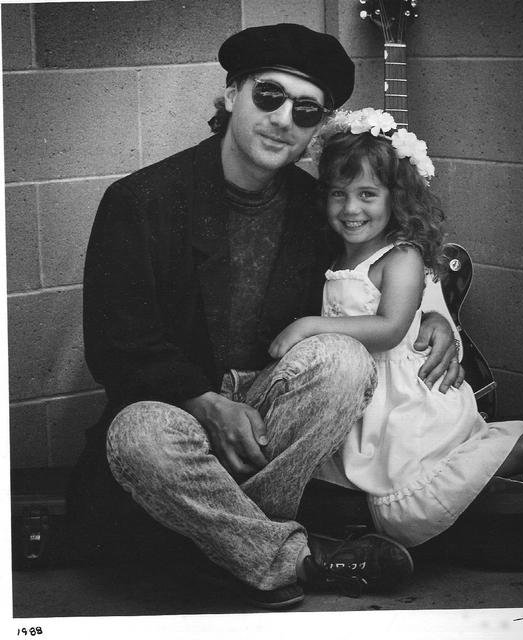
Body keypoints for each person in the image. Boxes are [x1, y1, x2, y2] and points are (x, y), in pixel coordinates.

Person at [67, 24, 461, 610]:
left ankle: (222, 545)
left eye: (306, 111)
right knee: (137, 434)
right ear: (231, 95)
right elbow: (114, 344)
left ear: (317, 127)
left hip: (272, 406)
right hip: (178, 407)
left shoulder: (317, 205)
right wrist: (204, 400)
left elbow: (382, 261)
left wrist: (432, 315)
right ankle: (290, 558)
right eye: (269, 96)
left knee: (343, 360)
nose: (283, 120)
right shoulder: (142, 201)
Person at [268, 108, 523, 547]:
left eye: (367, 194)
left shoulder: (400, 256)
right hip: (360, 397)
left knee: (407, 503)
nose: (350, 208)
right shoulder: (339, 252)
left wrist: (309, 327)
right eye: (338, 194)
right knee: (375, 490)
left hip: (401, 397)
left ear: (396, 198)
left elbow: (391, 328)